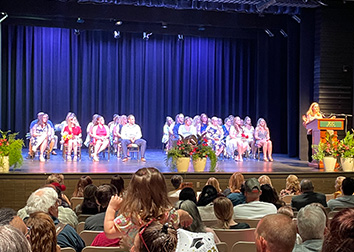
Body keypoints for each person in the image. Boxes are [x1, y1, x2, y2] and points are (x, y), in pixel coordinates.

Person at [104, 167, 193, 249]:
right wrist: (185, 214)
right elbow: (179, 215)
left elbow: (109, 231)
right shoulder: (169, 214)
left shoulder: (131, 217)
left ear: (133, 191)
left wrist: (112, 208)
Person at [22, 187, 85, 251]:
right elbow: (82, 248)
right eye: (57, 204)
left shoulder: (20, 232)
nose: (58, 206)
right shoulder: (67, 231)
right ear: (51, 209)